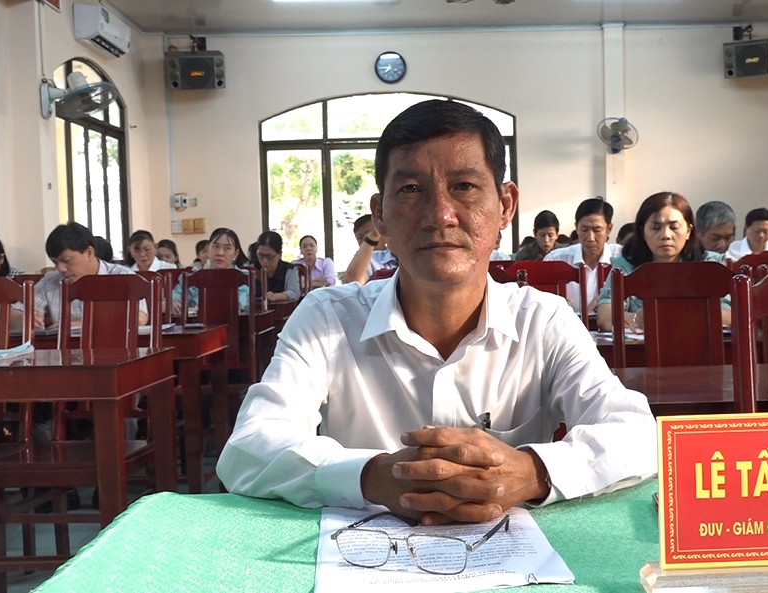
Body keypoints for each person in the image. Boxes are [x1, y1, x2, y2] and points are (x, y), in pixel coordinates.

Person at [217, 99, 656, 525]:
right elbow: (248, 448)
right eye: (411, 190)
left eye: (464, 187)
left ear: (505, 205)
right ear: (380, 216)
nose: (440, 215)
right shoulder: (327, 319)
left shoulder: (543, 321)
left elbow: (637, 435)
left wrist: (531, 472)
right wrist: (372, 476)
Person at [597, 192, 729, 332]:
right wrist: (636, 319)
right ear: (642, 232)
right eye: (656, 228)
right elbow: (604, 317)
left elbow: (731, 315)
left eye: (674, 227)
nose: (666, 235)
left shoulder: (710, 265)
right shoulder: (625, 266)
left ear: (689, 231)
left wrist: (682, 316)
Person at [34, 222, 148, 330]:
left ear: (89, 253)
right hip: (65, 345)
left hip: (115, 344)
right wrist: (29, 319)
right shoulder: (51, 281)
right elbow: (25, 311)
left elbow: (140, 318)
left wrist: (79, 322)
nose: (61, 269)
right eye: (55, 263)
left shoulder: (122, 277)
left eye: (66, 260)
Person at [543, 198, 622, 316]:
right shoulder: (555, 260)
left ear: (609, 229)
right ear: (576, 228)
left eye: (597, 230)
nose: (590, 238)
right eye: (584, 230)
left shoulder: (622, 257)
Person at [174, 228, 251, 314]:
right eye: (216, 246)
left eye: (227, 248)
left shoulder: (246, 278)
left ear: (236, 254)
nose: (220, 253)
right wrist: (171, 304)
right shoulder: (191, 278)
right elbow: (173, 301)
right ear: (208, 250)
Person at [343, 214, 397, 284]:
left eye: (368, 234)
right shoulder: (371, 261)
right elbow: (353, 281)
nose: (365, 240)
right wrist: (373, 236)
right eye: (360, 237)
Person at [253, 231, 300, 303]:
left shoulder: (289, 270)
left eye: (270, 256)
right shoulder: (251, 268)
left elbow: (294, 293)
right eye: (261, 255)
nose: (265, 261)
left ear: (280, 254)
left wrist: (278, 296)